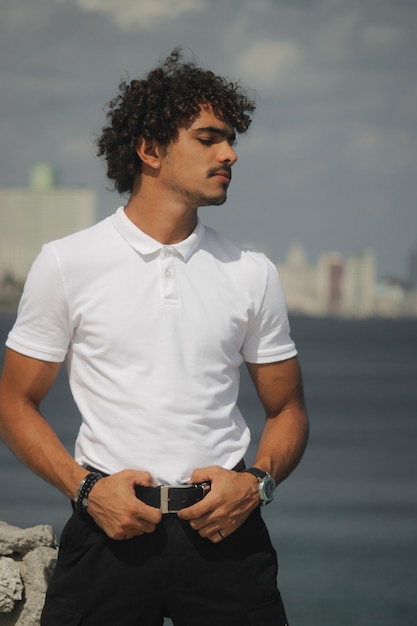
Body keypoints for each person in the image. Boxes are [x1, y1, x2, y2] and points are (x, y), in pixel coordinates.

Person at [0, 49, 309, 626]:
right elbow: (14, 402)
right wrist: (85, 489)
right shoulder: (68, 262)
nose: (230, 154)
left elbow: (287, 409)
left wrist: (256, 485)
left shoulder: (251, 271)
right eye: (209, 138)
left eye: (231, 138)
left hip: (228, 537)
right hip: (107, 535)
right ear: (150, 149)